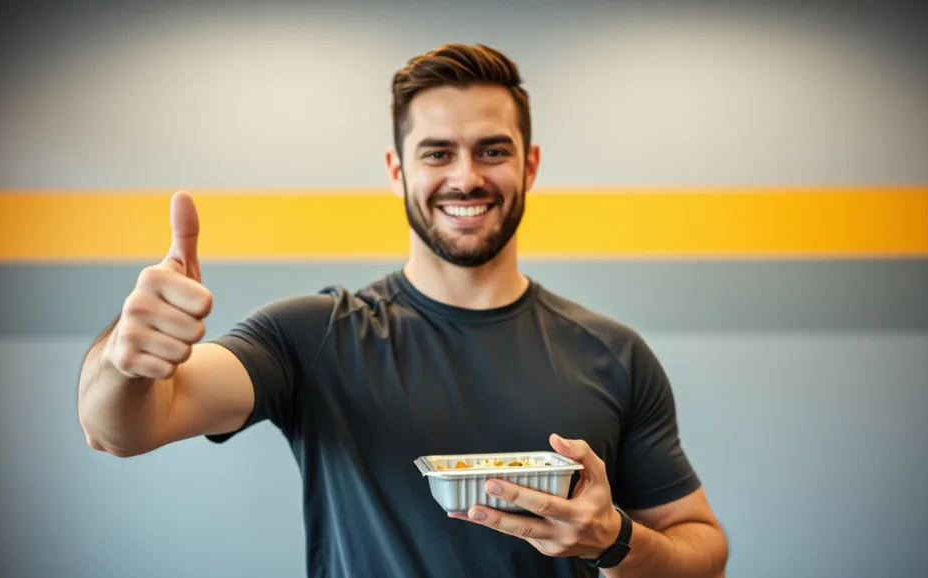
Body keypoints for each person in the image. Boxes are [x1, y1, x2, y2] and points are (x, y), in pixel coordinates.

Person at [77, 43, 729, 578]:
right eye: (437, 152)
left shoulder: (613, 352)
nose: (466, 176)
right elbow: (121, 429)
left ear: (529, 166)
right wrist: (126, 358)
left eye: (492, 150)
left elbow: (702, 552)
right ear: (397, 171)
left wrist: (615, 542)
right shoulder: (314, 335)